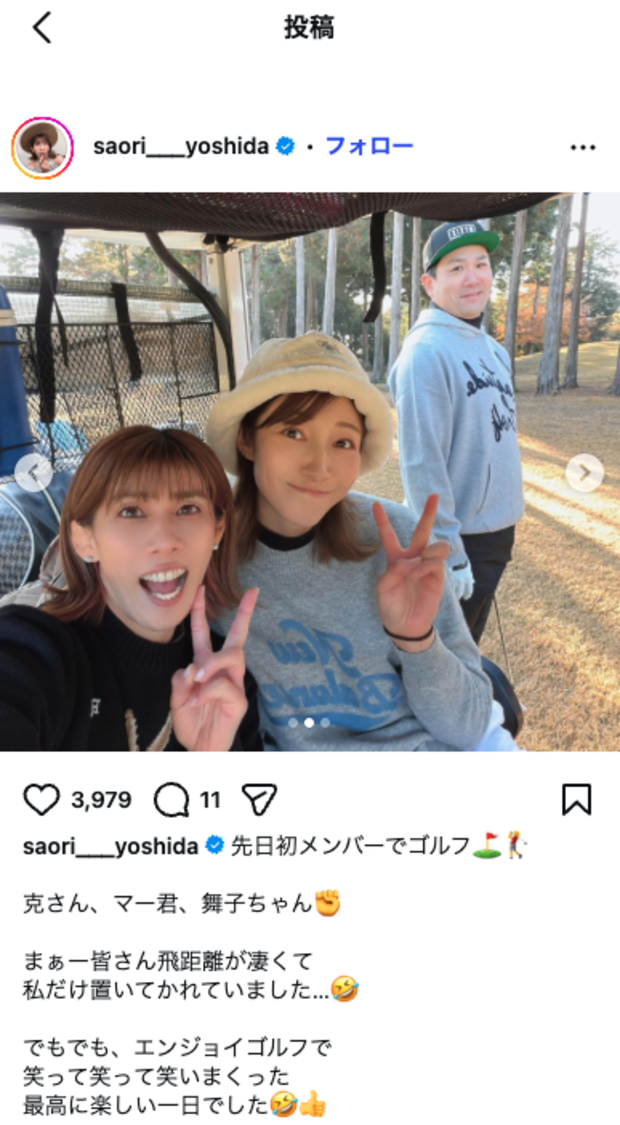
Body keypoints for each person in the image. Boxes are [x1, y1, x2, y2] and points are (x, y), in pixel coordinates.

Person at [207, 331, 524, 751]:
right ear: (247, 439)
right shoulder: (204, 554)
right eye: (293, 432)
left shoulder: (397, 539)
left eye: (342, 442)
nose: (320, 467)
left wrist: (417, 640)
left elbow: (469, 725)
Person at [0, 426, 261, 751]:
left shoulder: (225, 682)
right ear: (85, 539)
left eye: (188, 508)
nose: (165, 540)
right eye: (131, 511)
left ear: (217, 530)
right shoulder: (35, 652)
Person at [388, 220, 525, 645]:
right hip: (461, 542)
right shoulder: (425, 354)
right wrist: (448, 551)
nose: (473, 277)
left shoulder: (494, 350)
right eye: (456, 268)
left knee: (468, 647)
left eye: (481, 264)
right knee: (444, 656)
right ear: (429, 284)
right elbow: (421, 462)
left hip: (496, 533)